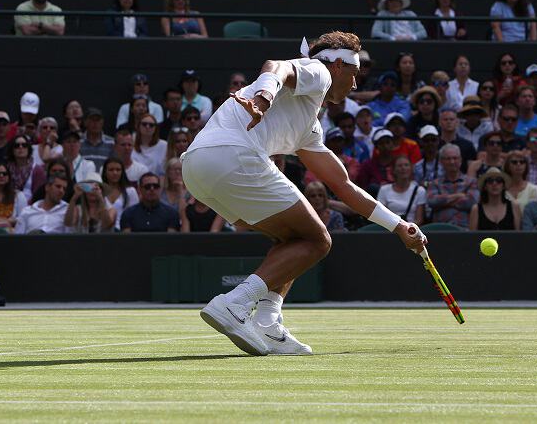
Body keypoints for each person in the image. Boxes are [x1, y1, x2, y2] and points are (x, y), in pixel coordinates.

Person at [181, 31, 426, 356]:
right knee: (318, 240)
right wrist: (264, 98)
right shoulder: (321, 71)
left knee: (294, 240)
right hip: (233, 155)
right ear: (338, 65)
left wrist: (399, 226)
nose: (354, 85)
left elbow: (343, 186)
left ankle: (268, 324)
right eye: (354, 74)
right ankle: (235, 302)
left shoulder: (309, 127)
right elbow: (276, 66)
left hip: (197, 169)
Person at [376, 155, 427, 225]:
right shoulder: (384, 190)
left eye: (406, 165)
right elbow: (381, 216)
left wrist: (406, 229)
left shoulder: (420, 191)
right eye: (399, 166)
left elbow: (419, 219)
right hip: (390, 229)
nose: (403, 168)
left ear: (411, 168)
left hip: (411, 230)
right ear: (394, 170)